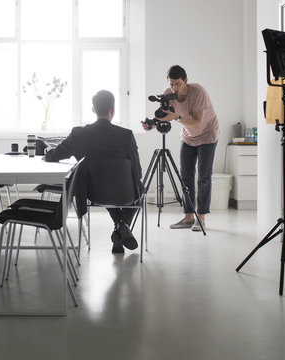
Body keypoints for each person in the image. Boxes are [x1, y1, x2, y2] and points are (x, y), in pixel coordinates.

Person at [44, 90, 143, 253]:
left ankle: (120, 228)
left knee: (104, 185)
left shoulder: (79, 133)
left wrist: (47, 150)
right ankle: (122, 226)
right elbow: (137, 172)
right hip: (124, 193)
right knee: (140, 189)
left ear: (93, 110)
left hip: (92, 192)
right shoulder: (126, 135)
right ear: (113, 110)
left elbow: (55, 155)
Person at [142, 65, 219, 231]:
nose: (174, 88)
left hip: (207, 135)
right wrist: (151, 125)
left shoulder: (198, 92)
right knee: (186, 177)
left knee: (203, 178)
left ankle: (201, 218)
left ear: (185, 81)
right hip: (188, 137)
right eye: (171, 84)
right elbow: (164, 115)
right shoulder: (169, 93)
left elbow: (197, 123)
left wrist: (176, 117)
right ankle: (188, 217)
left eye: (177, 84)